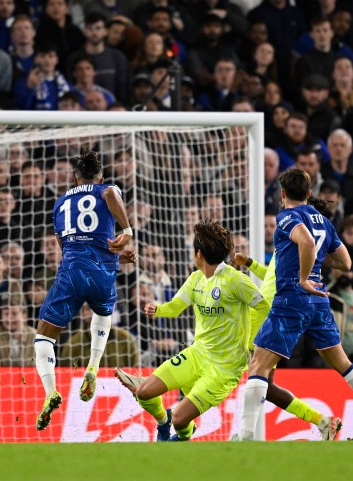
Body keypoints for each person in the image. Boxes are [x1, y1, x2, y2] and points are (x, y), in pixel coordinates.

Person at [237, 168, 353, 441]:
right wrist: (315, 270)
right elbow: (345, 262)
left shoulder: (287, 216)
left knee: (258, 366)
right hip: (318, 300)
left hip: (292, 297)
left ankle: (244, 436)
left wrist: (303, 278)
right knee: (343, 363)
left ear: (283, 193)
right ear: (309, 194)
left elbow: (307, 242)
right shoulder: (322, 220)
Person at [114, 219, 269, 442]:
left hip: (224, 368)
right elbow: (176, 307)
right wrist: (158, 309)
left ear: (198, 253)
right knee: (144, 393)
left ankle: (180, 435)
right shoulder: (196, 279)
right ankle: (163, 422)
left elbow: (263, 306)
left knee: (180, 418)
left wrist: (251, 341)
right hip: (197, 354)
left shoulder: (236, 280)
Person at [33, 146, 136, 431]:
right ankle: (92, 366)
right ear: (99, 177)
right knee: (103, 314)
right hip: (102, 274)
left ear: (75, 178)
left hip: (71, 271)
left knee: (44, 337)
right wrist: (126, 232)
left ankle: (51, 391)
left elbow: (67, 247)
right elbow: (110, 194)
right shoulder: (105, 189)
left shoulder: (60, 204)